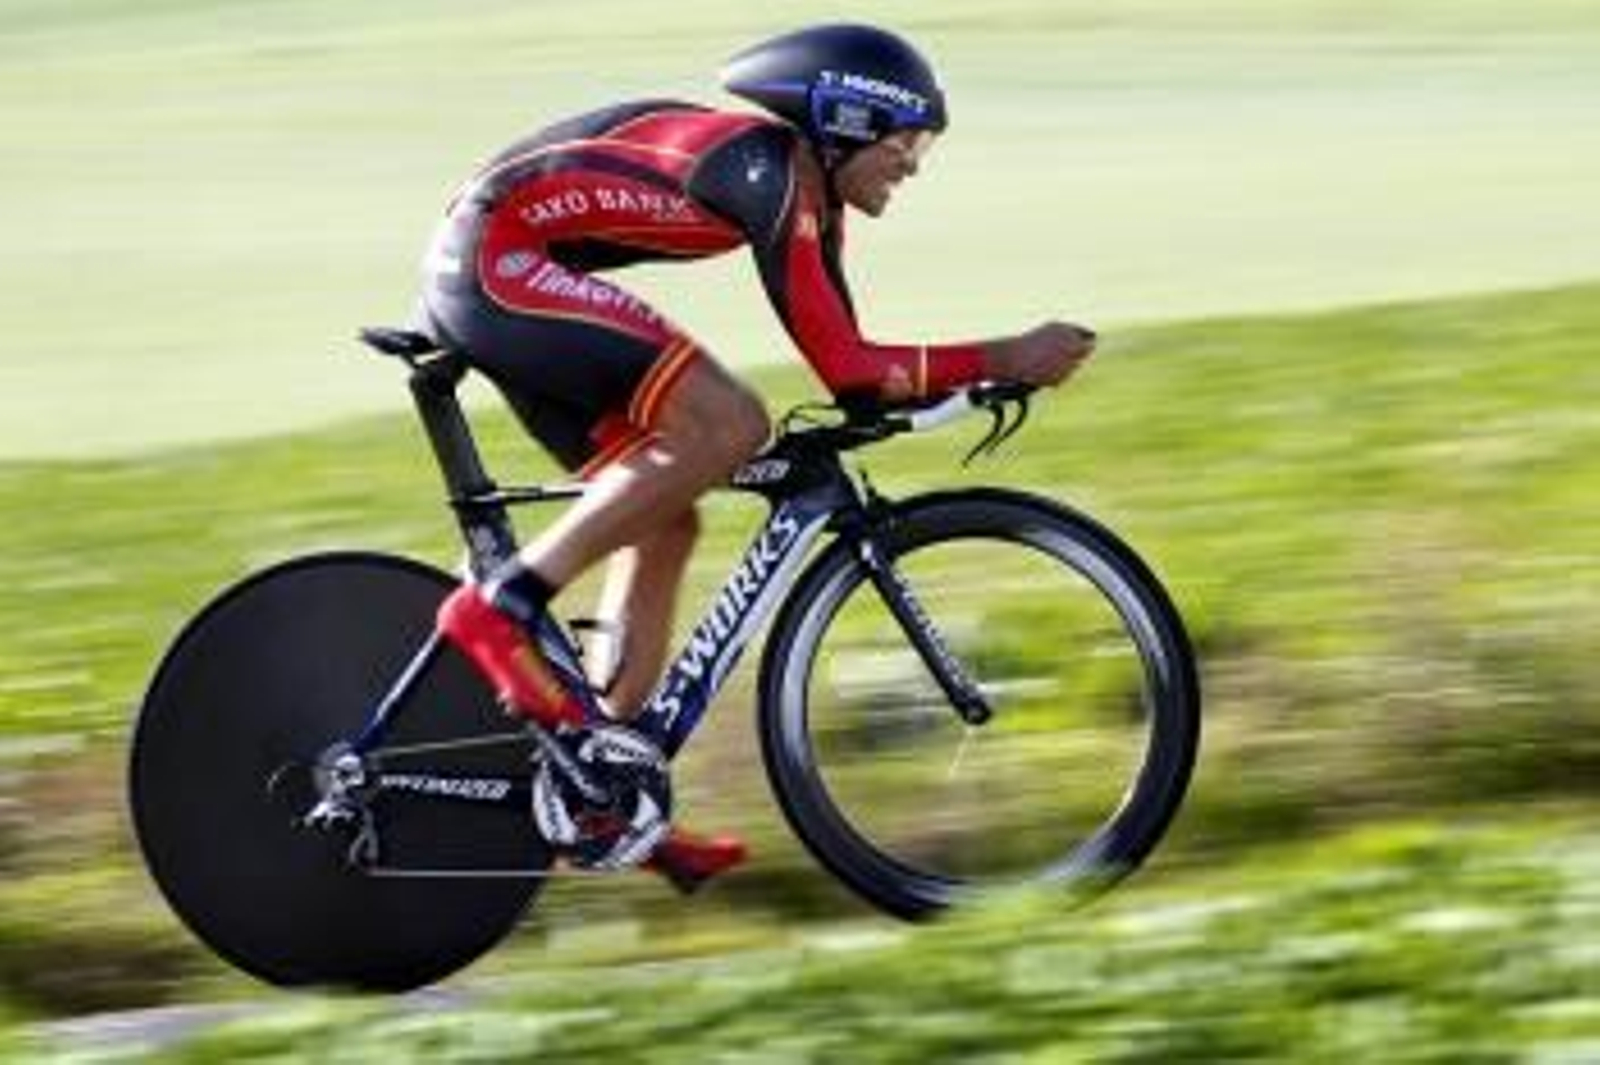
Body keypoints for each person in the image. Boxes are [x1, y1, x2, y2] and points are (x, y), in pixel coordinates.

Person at [418, 23, 1096, 891]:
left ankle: (601, 791)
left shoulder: (809, 200)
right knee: (730, 423)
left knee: (667, 520)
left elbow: (859, 378)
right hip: (493, 264)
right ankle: (501, 604)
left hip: (502, 266)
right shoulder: (769, 175)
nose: (914, 163)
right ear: (844, 121)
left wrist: (965, 384)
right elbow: (853, 368)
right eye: (904, 140)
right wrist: (1004, 354)